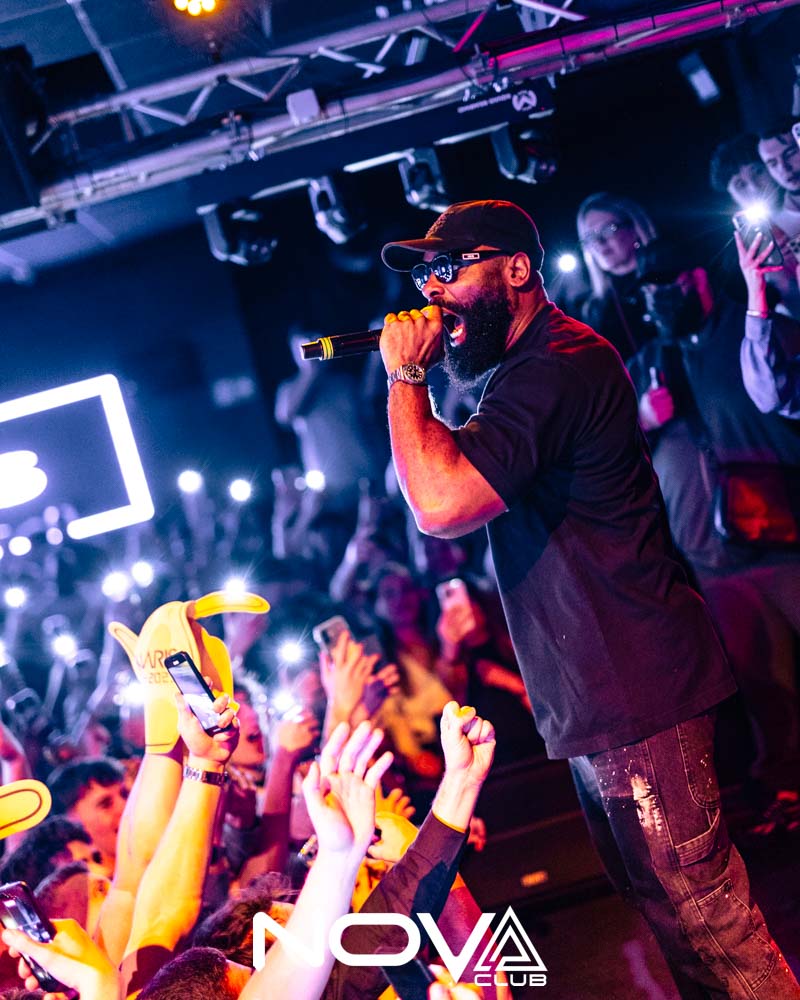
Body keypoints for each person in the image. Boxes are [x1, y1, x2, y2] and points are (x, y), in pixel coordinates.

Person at [377, 198, 800, 998]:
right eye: (425, 276)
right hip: (609, 695)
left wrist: (406, 376)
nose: (432, 291)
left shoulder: (555, 365)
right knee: (680, 922)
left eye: (450, 269)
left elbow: (440, 501)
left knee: (708, 923)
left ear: (517, 269)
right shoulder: (523, 374)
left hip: (636, 689)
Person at [576, 192, 658, 359]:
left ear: (634, 228)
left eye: (608, 229)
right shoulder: (595, 310)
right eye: (590, 237)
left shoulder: (669, 280)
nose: (599, 242)